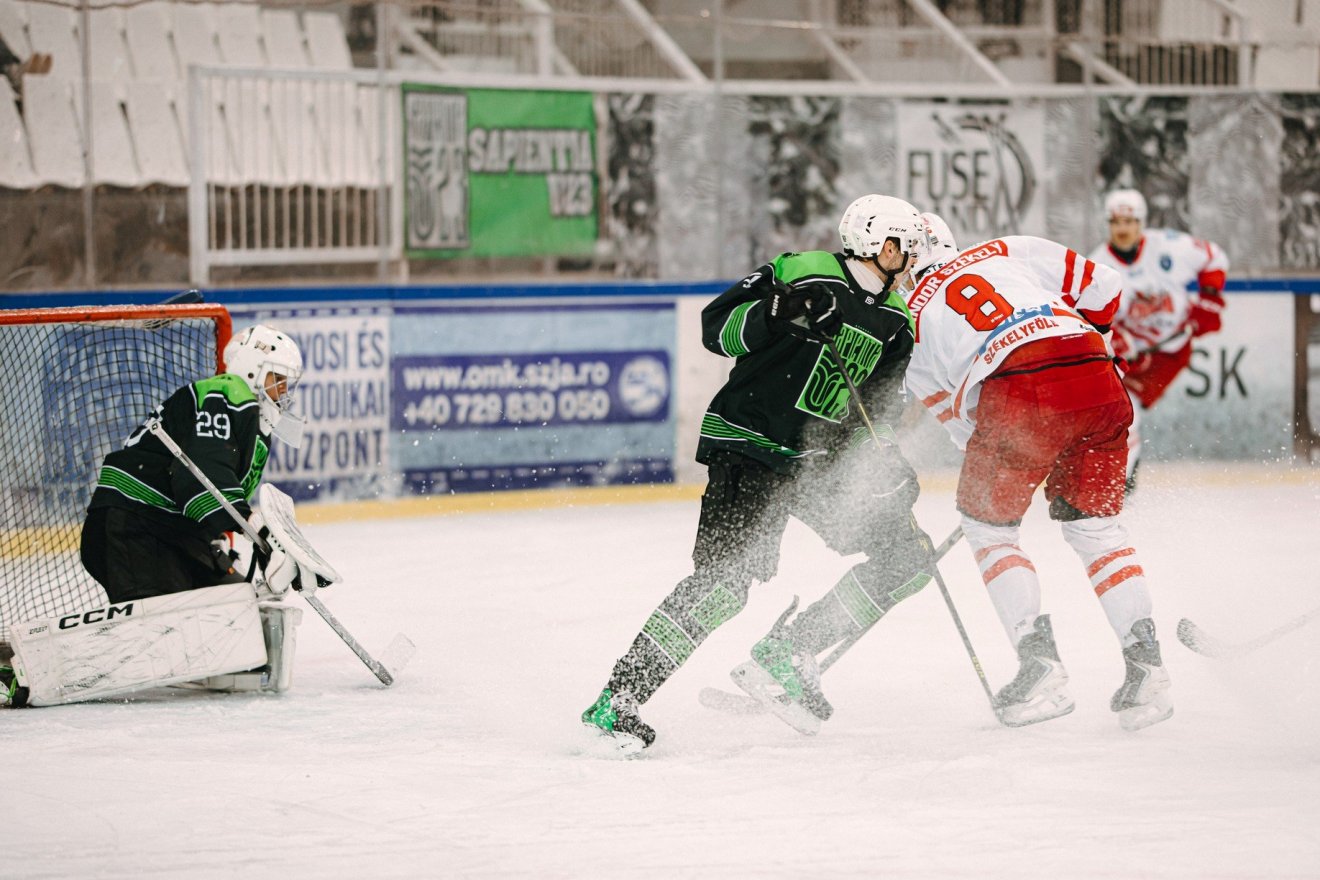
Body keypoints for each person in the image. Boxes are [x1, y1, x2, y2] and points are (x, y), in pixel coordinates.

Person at [580, 195, 940, 753]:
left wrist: (883, 464)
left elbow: (878, 410)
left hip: (815, 463)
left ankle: (789, 652)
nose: (913, 259)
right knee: (724, 584)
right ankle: (617, 701)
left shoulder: (897, 322)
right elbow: (715, 329)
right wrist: (778, 311)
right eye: (906, 247)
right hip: (750, 443)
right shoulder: (803, 270)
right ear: (881, 243)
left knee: (907, 560)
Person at [903, 212, 1173, 732]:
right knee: (1096, 529)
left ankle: (1040, 668)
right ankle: (1148, 670)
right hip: (1098, 378)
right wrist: (1083, 349)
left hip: (1016, 390)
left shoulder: (908, 317)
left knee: (989, 529)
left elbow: (957, 418)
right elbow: (1105, 287)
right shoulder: (1006, 249)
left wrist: (1012, 452)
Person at [2, 325, 314, 708]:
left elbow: (206, 491)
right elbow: (202, 476)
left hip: (175, 534)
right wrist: (255, 528)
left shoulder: (255, 426)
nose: (281, 392)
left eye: (286, 384)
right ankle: (18, 672)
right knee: (156, 634)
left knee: (234, 612)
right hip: (135, 523)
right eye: (276, 379)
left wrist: (259, 543)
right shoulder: (228, 393)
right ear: (251, 368)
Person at [1088, 188, 1229, 493]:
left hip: (1170, 351)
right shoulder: (1097, 266)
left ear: (1141, 223)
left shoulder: (1170, 246)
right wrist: (1115, 342)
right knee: (1115, 414)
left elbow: (1215, 257)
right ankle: (1117, 481)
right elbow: (1090, 319)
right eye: (1116, 222)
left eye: (1129, 221)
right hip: (1127, 355)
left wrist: (1210, 300)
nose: (1122, 229)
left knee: (1126, 412)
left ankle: (1116, 486)